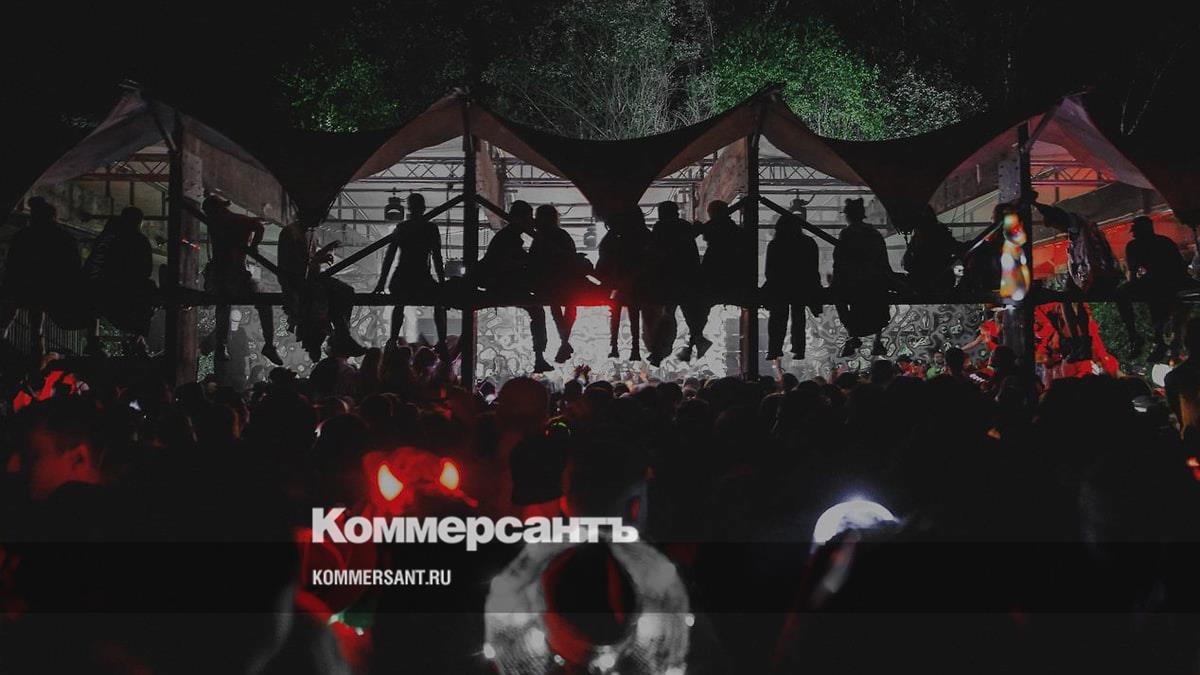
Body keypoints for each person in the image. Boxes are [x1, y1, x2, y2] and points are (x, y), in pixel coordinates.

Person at [1033, 199, 1122, 362]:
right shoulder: (1076, 234)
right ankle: (1078, 342)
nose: (1057, 230)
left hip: (1101, 278)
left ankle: (1081, 342)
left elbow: (1094, 258)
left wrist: (1036, 204)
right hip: (1089, 277)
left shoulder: (1083, 231)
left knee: (1073, 299)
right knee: (1067, 299)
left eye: (1056, 225)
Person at [199, 194, 282, 365]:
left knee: (223, 305)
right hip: (235, 276)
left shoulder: (216, 224)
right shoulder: (239, 220)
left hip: (218, 277)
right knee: (264, 302)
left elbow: (257, 226)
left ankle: (221, 346)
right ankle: (268, 344)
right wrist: (254, 246)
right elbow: (259, 227)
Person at [0, 197, 87, 357]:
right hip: (50, 289)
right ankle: (37, 345)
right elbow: (73, 265)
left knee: (11, 309)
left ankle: (4, 334)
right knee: (37, 311)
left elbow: (12, 263)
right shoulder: (63, 237)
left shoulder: (23, 236)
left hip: (22, 286)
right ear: (53, 217)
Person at [478, 201, 553, 373]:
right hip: (503, 286)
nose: (531, 221)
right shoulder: (510, 237)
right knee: (537, 311)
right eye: (529, 217)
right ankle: (539, 357)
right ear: (522, 218)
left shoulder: (508, 236)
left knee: (537, 311)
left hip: (500, 285)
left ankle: (539, 357)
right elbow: (515, 262)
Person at [278, 219, 365, 362]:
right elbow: (300, 267)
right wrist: (319, 258)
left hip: (305, 287)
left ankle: (343, 334)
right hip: (303, 286)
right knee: (345, 293)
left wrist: (320, 256)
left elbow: (303, 265)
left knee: (343, 294)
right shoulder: (299, 234)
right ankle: (343, 334)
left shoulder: (303, 234)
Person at [375, 193, 447, 354]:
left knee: (399, 305)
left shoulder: (402, 228)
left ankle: (393, 339)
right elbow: (437, 257)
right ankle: (442, 341)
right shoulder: (430, 228)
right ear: (423, 208)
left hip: (402, 278)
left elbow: (389, 257)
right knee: (439, 304)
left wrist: (382, 283)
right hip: (422, 278)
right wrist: (442, 283)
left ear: (409, 208)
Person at [82, 206, 156, 357]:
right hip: (129, 290)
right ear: (139, 222)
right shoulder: (140, 241)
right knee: (150, 291)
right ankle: (138, 337)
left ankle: (93, 340)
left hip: (108, 287)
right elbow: (146, 269)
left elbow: (96, 261)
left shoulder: (111, 238)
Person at [682, 200, 750, 362]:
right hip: (729, 276)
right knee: (700, 308)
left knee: (698, 307)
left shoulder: (716, 229)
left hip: (714, 273)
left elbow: (694, 234)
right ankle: (695, 340)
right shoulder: (733, 230)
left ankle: (695, 339)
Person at [1118, 215, 1192, 361]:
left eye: (1136, 231)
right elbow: (1180, 265)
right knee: (1130, 294)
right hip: (1167, 282)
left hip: (1165, 282)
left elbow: (1133, 273)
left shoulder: (1137, 246)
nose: (1134, 234)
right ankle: (1146, 338)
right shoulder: (1163, 242)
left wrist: (1134, 286)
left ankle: (1139, 337)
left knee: (1125, 294)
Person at [643, 201, 705, 365]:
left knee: (668, 316)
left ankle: (661, 350)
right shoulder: (683, 226)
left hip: (669, 280)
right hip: (688, 278)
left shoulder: (661, 227)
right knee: (690, 316)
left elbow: (656, 252)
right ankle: (694, 343)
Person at [832, 198, 892, 357]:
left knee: (839, 299)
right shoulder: (874, 234)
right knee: (878, 306)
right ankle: (876, 341)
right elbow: (883, 260)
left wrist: (835, 282)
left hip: (854, 283)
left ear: (848, 216)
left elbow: (839, 261)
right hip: (875, 283)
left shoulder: (847, 234)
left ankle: (852, 336)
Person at [530, 204, 586, 364]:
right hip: (567, 282)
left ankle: (564, 342)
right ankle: (564, 341)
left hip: (548, 283)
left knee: (556, 309)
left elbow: (533, 260)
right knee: (569, 307)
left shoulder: (540, 238)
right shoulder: (562, 235)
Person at [762, 213, 823, 361]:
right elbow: (812, 268)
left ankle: (774, 349)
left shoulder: (775, 244)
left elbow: (770, 271)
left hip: (780, 286)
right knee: (799, 317)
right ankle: (798, 349)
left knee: (777, 318)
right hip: (802, 285)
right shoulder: (808, 243)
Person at [596, 207, 651, 361]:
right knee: (634, 312)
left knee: (616, 311)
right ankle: (635, 349)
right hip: (636, 282)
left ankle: (615, 346)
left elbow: (604, 256)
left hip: (617, 281)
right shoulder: (643, 235)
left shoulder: (615, 236)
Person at [902, 206, 961, 295]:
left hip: (921, 283)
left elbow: (907, 263)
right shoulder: (940, 233)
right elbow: (955, 248)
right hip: (940, 282)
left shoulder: (918, 238)